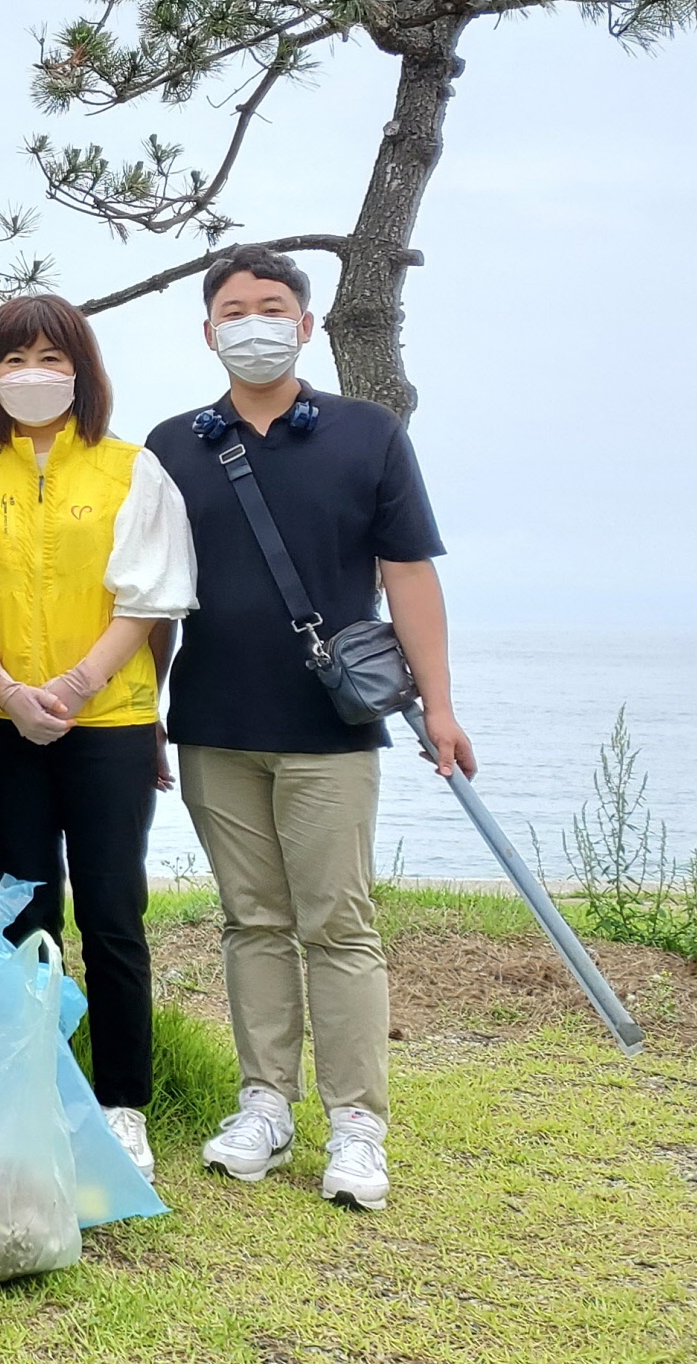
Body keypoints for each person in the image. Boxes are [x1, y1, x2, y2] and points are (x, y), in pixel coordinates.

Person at [145, 245, 473, 1214]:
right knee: (250, 918)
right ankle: (263, 1105)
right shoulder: (169, 446)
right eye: (233, 310)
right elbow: (152, 599)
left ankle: (357, 1125)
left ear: (305, 322)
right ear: (207, 331)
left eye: (271, 306)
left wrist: (441, 705)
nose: (252, 323)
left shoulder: (365, 434)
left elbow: (407, 569)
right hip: (210, 722)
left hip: (329, 729)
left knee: (338, 922)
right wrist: (145, 718)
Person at [0, 292, 195, 1179]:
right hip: (0, 720)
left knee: (110, 911)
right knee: (21, 909)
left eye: (51, 359)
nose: (31, 376)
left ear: (81, 370)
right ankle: (34, 1087)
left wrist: (74, 684)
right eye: (12, 360)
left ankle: (120, 1100)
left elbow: (149, 595)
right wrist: (9, 691)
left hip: (111, 724)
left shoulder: (134, 470)